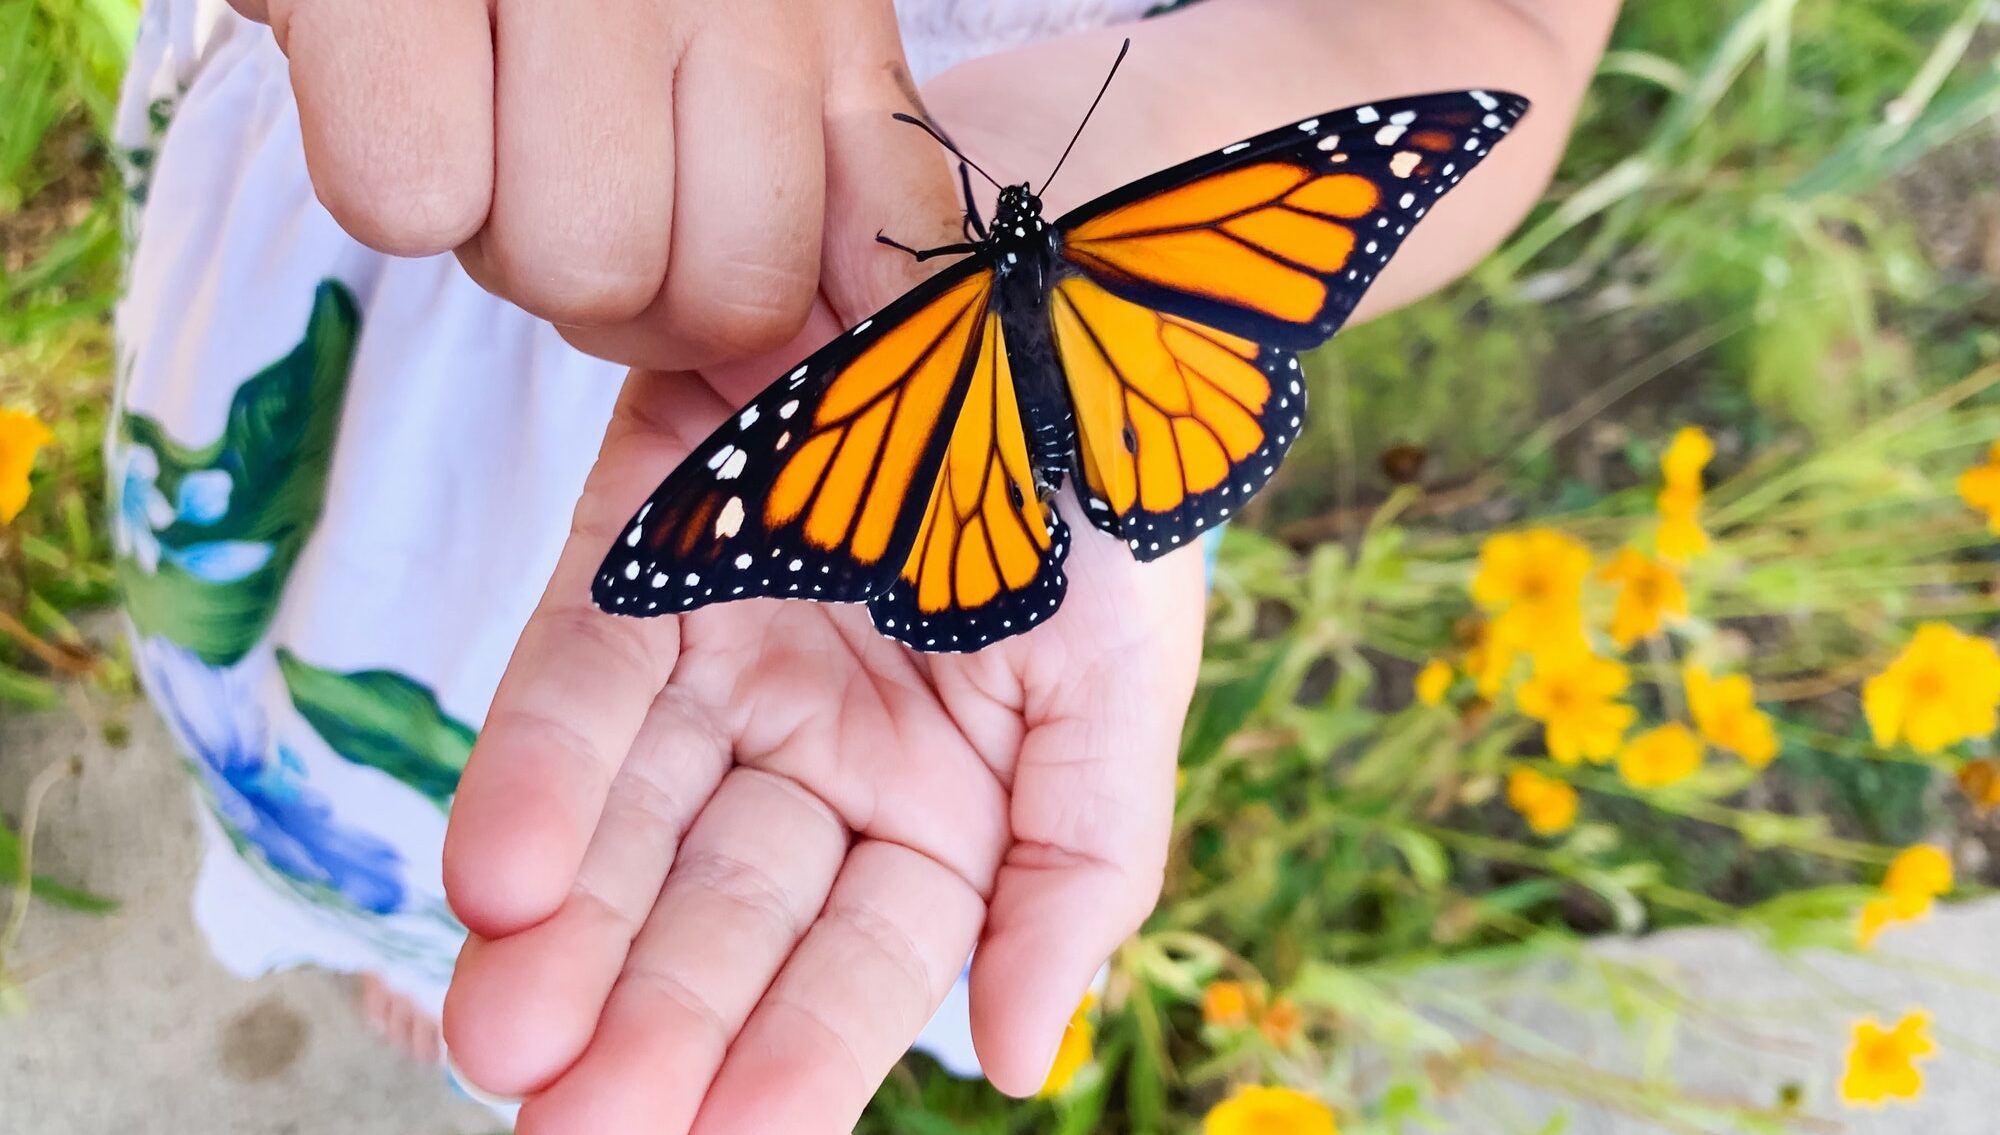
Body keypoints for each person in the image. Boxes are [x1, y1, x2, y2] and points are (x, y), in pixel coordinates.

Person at [112, 0, 1620, 1129]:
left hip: (962, 336)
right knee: (421, 688)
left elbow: (1507, 29)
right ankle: (381, 910)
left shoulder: (941, 276)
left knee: (560, 787)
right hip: (489, 208)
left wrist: (1111, 124)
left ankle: (420, 927)